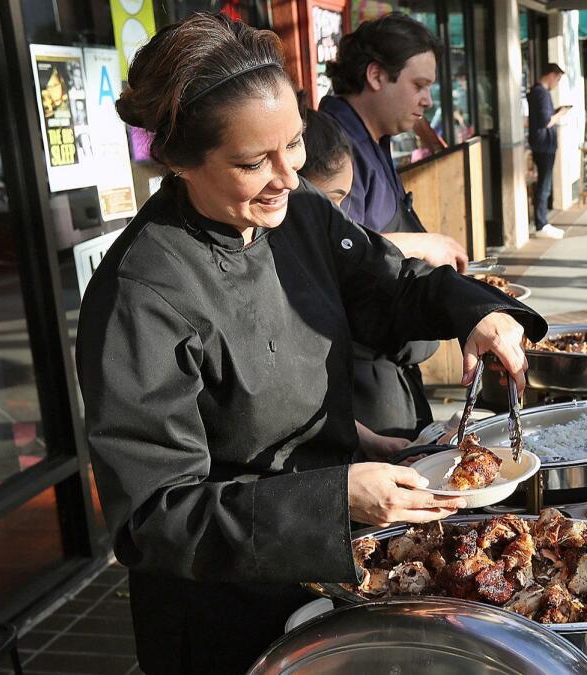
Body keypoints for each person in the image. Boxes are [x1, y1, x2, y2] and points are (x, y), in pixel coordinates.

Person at [78, 14, 546, 673]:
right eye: (252, 163)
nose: (288, 177)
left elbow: (389, 285)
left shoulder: (297, 214)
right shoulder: (141, 291)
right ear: (181, 162)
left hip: (336, 571)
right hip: (224, 612)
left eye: (293, 146)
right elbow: (156, 515)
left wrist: (477, 312)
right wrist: (332, 499)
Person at [319, 14, 462, 441]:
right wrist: (423, 243)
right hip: (359, 374)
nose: (428, 100)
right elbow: (328, 248)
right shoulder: (332, 144)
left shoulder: (373, 138)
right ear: (376, 75)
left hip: (392, 362)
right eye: (419, 85)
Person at [527, 63, 572, 240]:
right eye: (558, 79)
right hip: (544, 145)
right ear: (551, 75)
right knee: (544, 185)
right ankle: (541, 223)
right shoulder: (542, 93)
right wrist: (561, 113)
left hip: (541, 144)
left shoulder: (535, 92)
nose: (557, 83)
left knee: (543, 185)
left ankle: (542, 221)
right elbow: (546, 120)